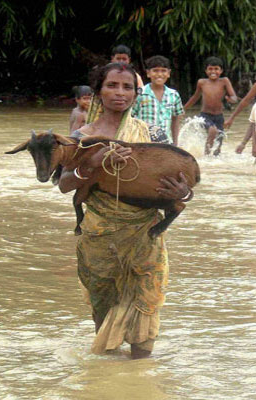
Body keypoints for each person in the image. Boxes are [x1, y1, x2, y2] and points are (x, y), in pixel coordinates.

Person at [59, 62, 191, 359]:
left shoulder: (152, 134)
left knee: (147, 306)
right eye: (112, 86)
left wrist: (185, 193)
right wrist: (94, 164)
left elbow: (179, 178)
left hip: (145, 234)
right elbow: (65, 185)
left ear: (136, 94)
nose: (120, 93)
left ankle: (139, 379)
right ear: (98, 92)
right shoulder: (83, 138)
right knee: (104, 314)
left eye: (127, 87)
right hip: (100, 237)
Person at [183, 56, 238, 155]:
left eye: (216, 69)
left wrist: (231, 100)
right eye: (210, 69)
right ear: (206, 70)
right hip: (205, 115)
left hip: (219, 117)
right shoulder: (202, 82)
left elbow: (234, 97)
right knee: (212, 131)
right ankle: (206, 156)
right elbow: (195, 97)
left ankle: (213, 166)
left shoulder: (224, 81)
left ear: (221, 71)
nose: (213, 71)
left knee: (218, 146)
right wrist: (183, 109)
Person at [132, 55, 185, 145]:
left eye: (163, 71)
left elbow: (176, 118)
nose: (159, 74)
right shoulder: (140, 93)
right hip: (143, 142)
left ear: (168, 73)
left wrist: (175, 143)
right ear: (148, 73)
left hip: (166, 143)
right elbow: (130, 117)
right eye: (155, 71)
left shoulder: (173, 95)